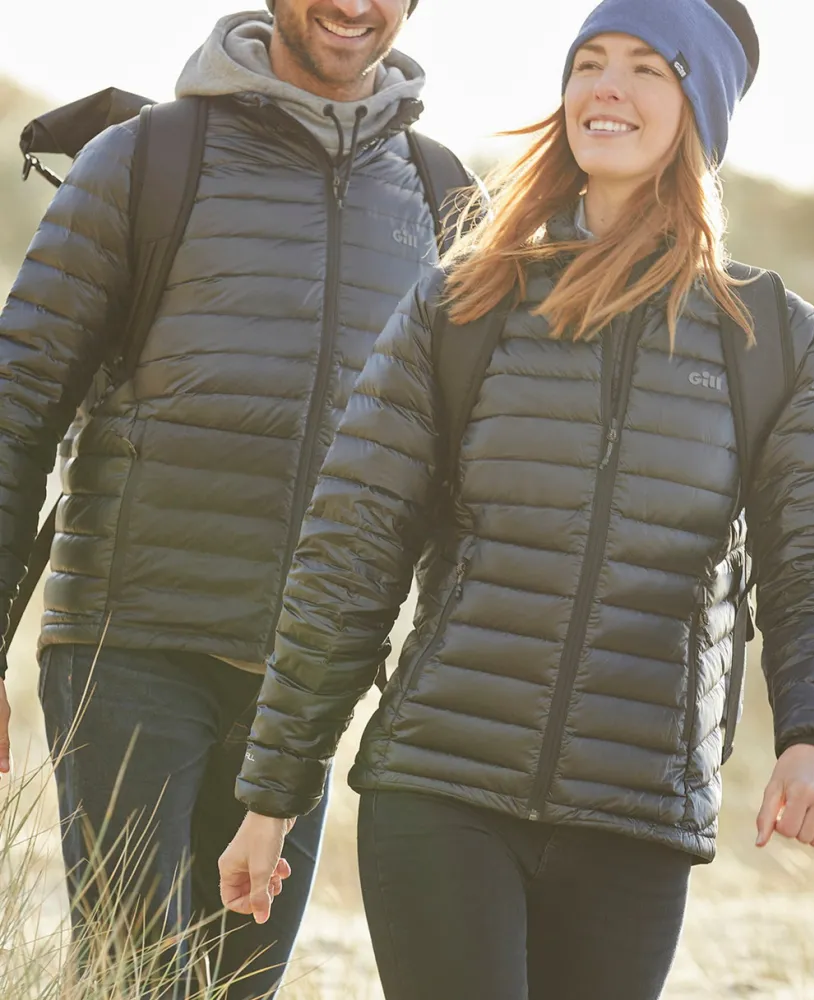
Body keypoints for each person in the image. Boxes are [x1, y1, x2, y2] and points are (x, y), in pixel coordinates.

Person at [221, 0, 814, 997]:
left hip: (635, 817)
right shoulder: (464, 302)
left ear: (699, 109)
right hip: (441, 789)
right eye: (589, 63)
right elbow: (350, 551)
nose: (606, 88)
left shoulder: (772, 340)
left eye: (648, 68)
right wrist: (274, 793)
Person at [0, 0, 469, 995]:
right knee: (135, 977)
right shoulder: (146, 158)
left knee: (237, 984)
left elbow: (462, 471)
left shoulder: (444, 195)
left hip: (304, 684)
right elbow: (18, 404)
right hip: (131, 648)